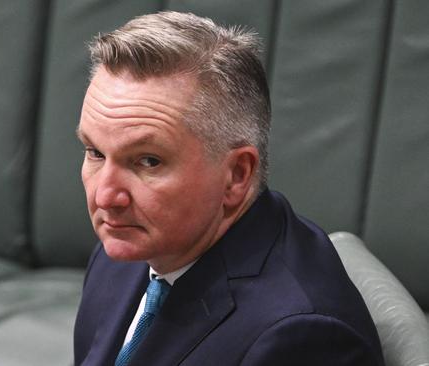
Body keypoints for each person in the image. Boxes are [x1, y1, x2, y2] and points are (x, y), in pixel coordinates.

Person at [72, 11, 384, 366]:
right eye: (95, 152)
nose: (105, 197)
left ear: (236, 175)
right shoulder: (128, 249)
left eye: (148, 162)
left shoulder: (301, 339)